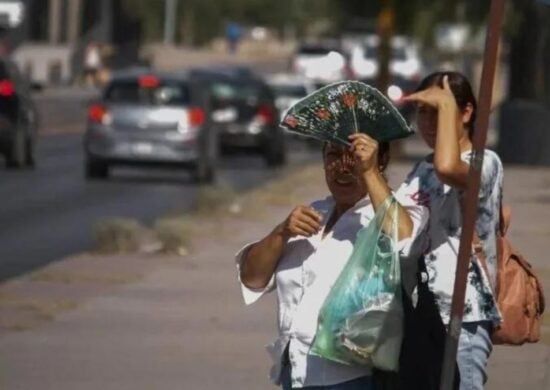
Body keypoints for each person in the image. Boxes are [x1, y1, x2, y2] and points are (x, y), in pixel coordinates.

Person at [235, 134, 426, 389]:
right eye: (333, 155)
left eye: (355, 156)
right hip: (296, 373)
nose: (343, 166)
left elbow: (405, 239)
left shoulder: (394, 212)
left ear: (381, 161)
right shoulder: (314, 214)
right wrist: (282, 232)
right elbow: (253, 278)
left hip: (353, 377)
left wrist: (368, 172)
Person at [396, 71, 503, 390]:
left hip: (461, 314)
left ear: (466, 113)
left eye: (439, 111)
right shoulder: (420, 169)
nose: (428, 122)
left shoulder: (485, 162)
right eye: (423, 112)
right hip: (417, 314)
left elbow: (449, 168)